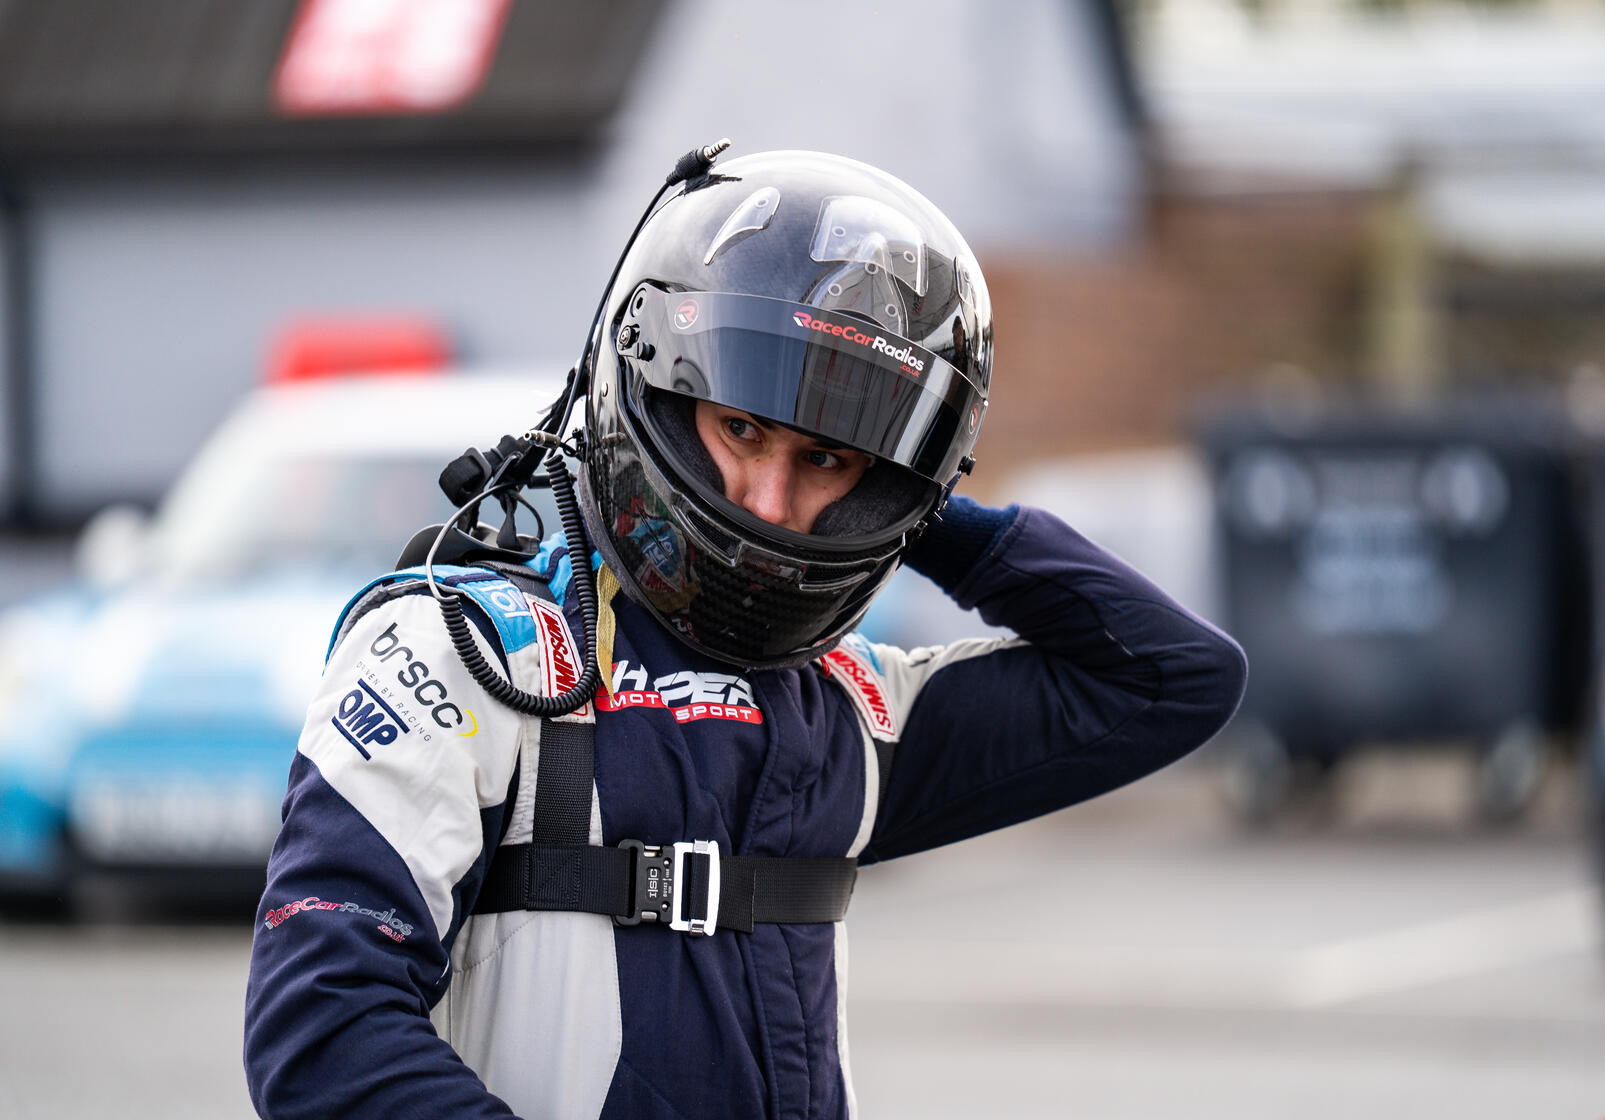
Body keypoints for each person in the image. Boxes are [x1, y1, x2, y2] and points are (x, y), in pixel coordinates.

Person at [243, 146, 1247, 1120]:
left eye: (826, 460)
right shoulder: (467, 657)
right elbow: (321, 1029)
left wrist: (921, 506)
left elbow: (1175, 677)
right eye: (741, 429)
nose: (769, 501)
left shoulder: (852, 708)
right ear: (656, 395)